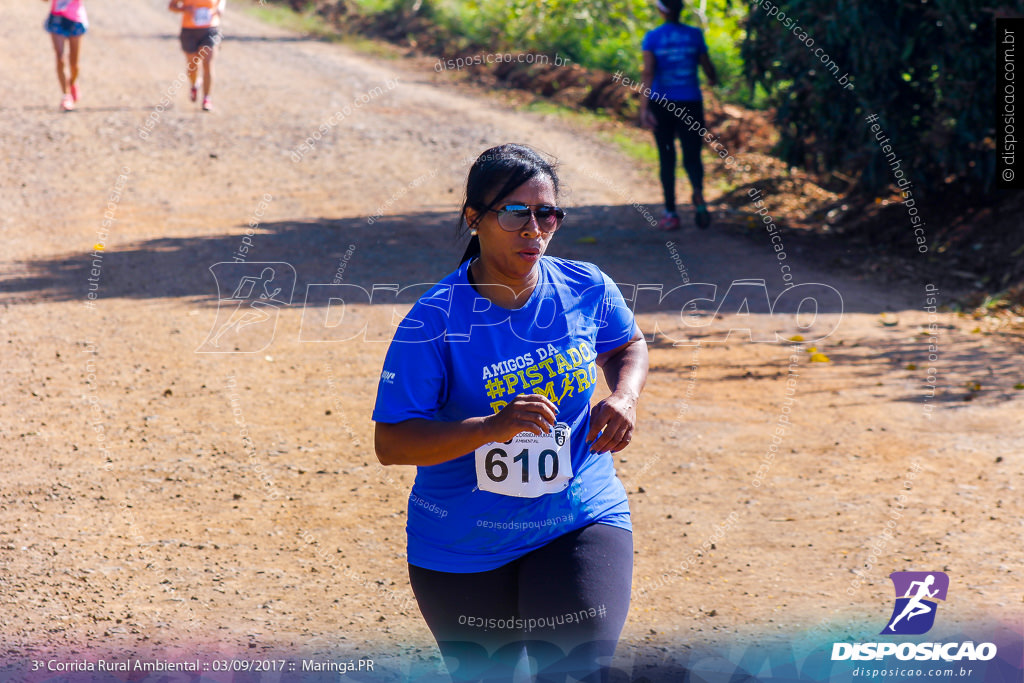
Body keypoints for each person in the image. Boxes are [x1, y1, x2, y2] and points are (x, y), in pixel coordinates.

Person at [372, 144, 649, 682]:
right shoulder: (433, 320)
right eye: (515, 212)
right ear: (474, 218)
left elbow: (628, 345)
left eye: (546, 214)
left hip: (577, 518)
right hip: (463, 542)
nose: (534, 229)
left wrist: (624, 397)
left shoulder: (585, 285)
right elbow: (393, 444)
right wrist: (493, 428)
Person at [639, 0, 719, 231]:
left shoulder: (652, 37)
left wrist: (644, 109)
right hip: (691, 102)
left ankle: (671, 213)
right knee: (692, 155)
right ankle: (699, 197)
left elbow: (648, 72)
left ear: (661, 10)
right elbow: (707, 66)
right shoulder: (695, 35)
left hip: (661, 103)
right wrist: (713, 78)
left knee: (667, 157)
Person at [168, 0, 224, 111]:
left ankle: (207, 98)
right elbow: (172, 6)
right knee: (192, 65)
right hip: (189, 31)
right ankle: (194, 84)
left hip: (210, 29)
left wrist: (221, 7)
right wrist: (184, 9)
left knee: (208, 63)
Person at [43, 0, 88, 112]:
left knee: (74, 64)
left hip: (75, 19)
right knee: (60, 58)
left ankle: (72, 83)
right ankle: (66, 96)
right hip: (57, 19)